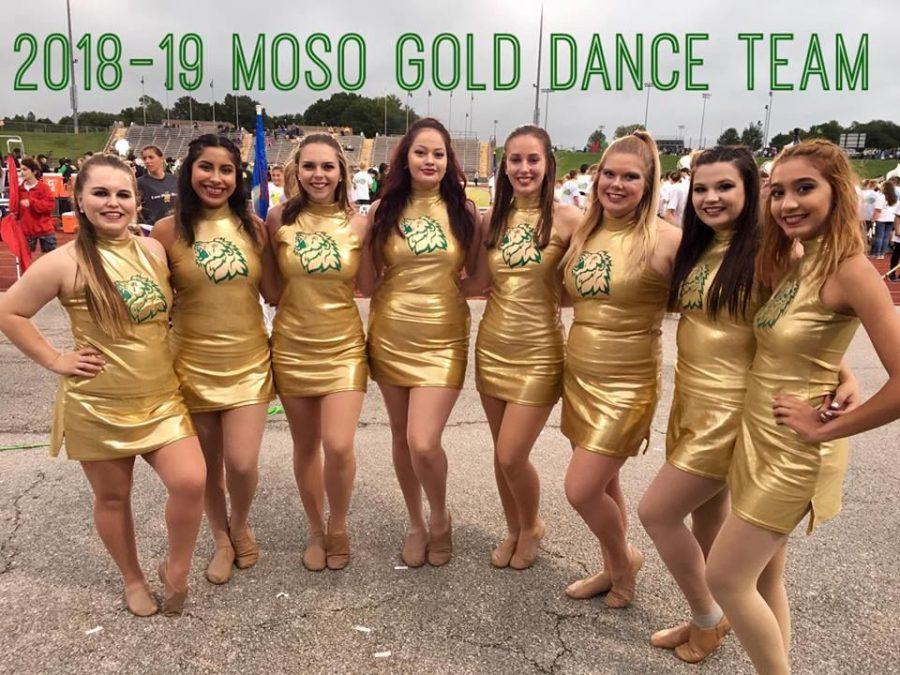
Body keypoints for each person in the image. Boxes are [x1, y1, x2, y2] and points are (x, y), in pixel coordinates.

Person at [637, 146, 859, 663]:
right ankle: (725, 630)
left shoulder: (776, 254)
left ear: (750, 191)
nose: (711, 198)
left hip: (734, 414)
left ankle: (708, 618)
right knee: (746, 554)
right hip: (692, 403)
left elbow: (807, 324)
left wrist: (842, 373)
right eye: (701, 188)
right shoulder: (702, 246)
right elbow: (785, 326)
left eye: (725, 187)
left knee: (658, 513)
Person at [705, 139, 900, 674]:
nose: (788, 203)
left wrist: (824, 430)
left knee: (724, 577)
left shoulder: (852, 269)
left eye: (804, 188)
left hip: (795, 452)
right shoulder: (797, 260)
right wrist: (841, 372)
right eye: (779, 192)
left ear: (838, 192)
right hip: (756, 438)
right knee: (766, 577)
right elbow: (803, 340)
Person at [0, 154, 206, 617]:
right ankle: (132, 578)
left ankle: (176, 567)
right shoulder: (62, 262)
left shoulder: (153, 251)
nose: (113, 203)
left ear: (136, 201)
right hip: (97, 402)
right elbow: (9, 312)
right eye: (101, 193)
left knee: (191, 481)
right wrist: (55, 359)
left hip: (161, 397)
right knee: (113, 497)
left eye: (122, 194)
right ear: (79, 199)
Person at [560, 131, 681, 608]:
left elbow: (723, 296)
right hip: (580, 372)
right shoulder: (585, 231)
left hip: (629, 380)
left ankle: (624, 560)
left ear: (648, 184)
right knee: (604, 485)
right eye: (608, 174)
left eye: (630, 176)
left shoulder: (670, 239)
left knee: (581, 489)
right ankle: (614, 568)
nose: (616, 184)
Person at [152, 135, 275, 586]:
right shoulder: (167, 232)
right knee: (207, 468)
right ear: (190, 172)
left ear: (236, 178)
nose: (216, 178)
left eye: (226, 170)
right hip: (190, 366)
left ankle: (240, 523)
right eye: (206, 167)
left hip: (248, 362)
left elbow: (275, 292)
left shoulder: (254, 228)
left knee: (242, 463)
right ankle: (222, 538)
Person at [361, 118, 480, 567]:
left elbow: (478, 278)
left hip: (444, 336)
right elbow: (370, 281)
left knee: (423, 440)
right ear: (405, 159)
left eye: (438, 154)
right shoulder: (382, 212)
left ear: (449, 162)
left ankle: (441, 515)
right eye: (421, 152)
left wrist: (444, 297)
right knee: (400, 435)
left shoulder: (464, 213)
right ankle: (415, 520)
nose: (429, 161)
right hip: (392, 331)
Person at [463, 125, 581, 570]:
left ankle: (531, 525)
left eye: (533, 159)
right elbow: (477, 282)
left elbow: (579, 286)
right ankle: (512, 527)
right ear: (503, 165)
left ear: (548, 163)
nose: (524, 168)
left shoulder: (570, 219)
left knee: (513, 453)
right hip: (492, 344)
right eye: (515, 160)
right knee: (500, 452)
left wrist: (549, 300)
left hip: (540, 350)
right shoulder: (491, 217)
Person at [263, 134, 369, 571]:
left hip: (344, 345)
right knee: (306, 445)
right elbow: (270, 285)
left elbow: (377, 280)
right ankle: (314, 529)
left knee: (339, 445)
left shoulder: (359, 222)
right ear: (296, 170)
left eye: (328, 167)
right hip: (292, 345)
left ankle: (339, 524)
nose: (318, 175)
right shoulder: (276, 219)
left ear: (342, 172)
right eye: (310, 166)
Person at [18, 158, 57, 256]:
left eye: (25, 169)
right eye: (21, 169)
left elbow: (49, 206)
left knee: (50, 261)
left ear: (34, 171)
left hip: (45, 230)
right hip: (27, 231)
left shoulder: (43, 188)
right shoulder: (20, 190)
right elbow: (16, 210)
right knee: (26, 261)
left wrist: (32, 202)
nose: (22, 172)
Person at [137, 145, 178, 229]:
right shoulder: (139, 182)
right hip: (152, 229)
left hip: (176, 227)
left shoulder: (175, 179)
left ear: (162, 158)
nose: (147, 161)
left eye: (151, 157)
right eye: (144, 158)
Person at [870, 180, 897, 259]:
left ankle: (877, 254)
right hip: (891, 218)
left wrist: (873, 219)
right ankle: (882, 254)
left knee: (879, 237)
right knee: (885, 237)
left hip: (882, 219)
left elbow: (878, 210)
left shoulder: (881, 197)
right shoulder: (895, 198)